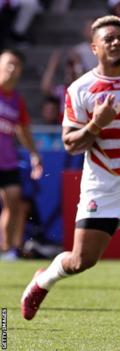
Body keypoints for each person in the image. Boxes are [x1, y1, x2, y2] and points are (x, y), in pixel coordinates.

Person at [20, 15, 120, 328]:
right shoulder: (80, 89)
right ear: (94, 47)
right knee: (81, 261)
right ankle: (43, 280)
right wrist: (96, 124)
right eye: (109, 39)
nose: (117, 42)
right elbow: (70, 144)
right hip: (101, 183)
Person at [0, 49, 43, 260]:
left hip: (7, 161)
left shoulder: (17, 101)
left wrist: (34, 154)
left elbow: (23, 131)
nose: (11, 68)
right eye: (8, 63)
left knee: (14, 201)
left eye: (16, 65)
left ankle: (7, 250)